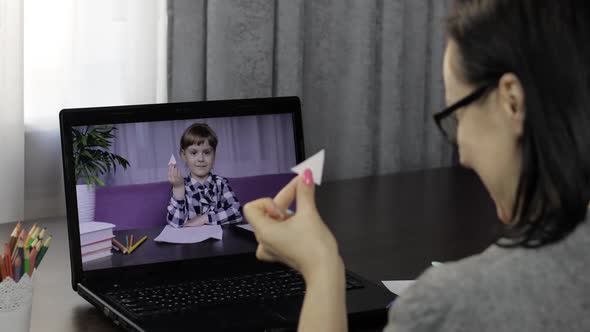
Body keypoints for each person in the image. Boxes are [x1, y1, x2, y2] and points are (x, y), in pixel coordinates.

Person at [243, 0, 590, 331]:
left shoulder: (449, 304)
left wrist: (321, 268)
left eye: (457, 115)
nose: (463, 155)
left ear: (512, 102)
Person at [167, 123, 243, 227]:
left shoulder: (221, 183)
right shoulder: (181, 185)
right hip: (190, 242)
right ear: (184, 155)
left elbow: (237, 212)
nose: (201, 159)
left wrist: (205, 218)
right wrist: (178, 190)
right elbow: (175, 223)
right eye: (194, 153)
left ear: (214, 155)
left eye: (207, 153)